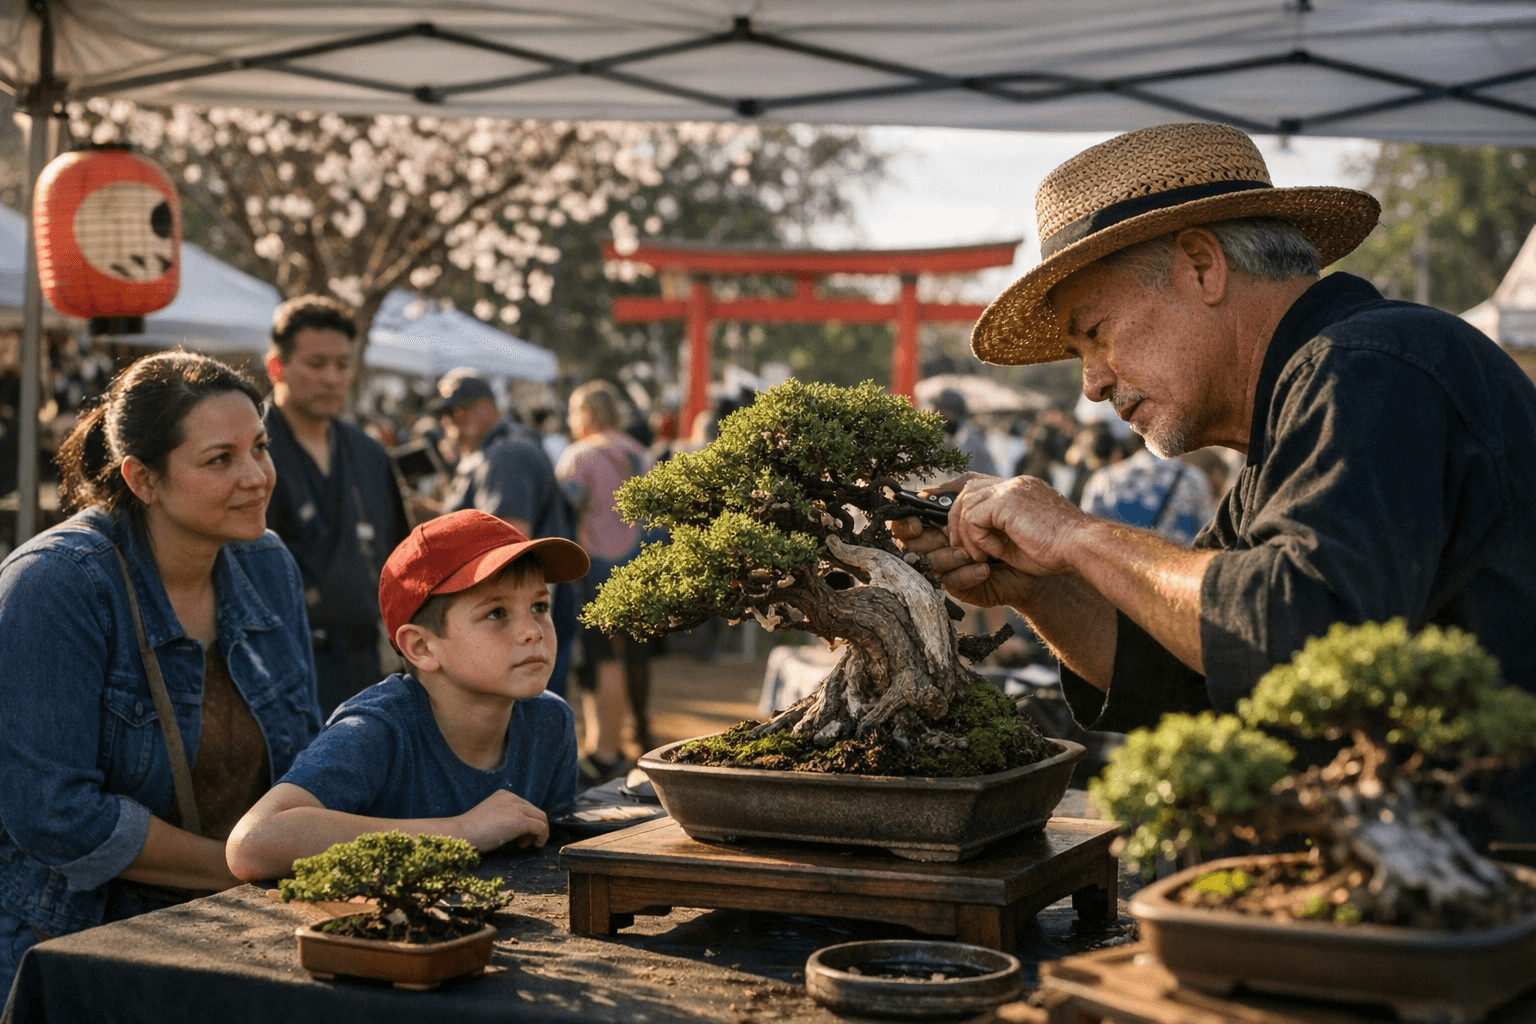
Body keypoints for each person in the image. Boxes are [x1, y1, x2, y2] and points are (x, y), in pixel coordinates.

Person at [896, 121, 1536, 841]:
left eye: (1097, 332)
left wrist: (1075, 534)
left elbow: (1297, 633)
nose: (1093, 386)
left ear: (1201, 266)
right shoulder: (1292, 418)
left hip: (1494, 885)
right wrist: (1039, 583)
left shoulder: (1366, 366)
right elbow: (1193, 673)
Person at [0, 352, 322, 988]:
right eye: (220, 459)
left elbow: (306, 758)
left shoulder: (266, 561)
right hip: (81, 946)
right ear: (142, 479)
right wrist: (247, 869)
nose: (257, 476)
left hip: (245, 932)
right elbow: (55, 814)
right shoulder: (57, 584)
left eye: (259, 447)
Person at [225, 509, 589, 880]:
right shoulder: (377, 730)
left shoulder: (550, 723)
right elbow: (253, 843)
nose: (533, 631)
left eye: (539, 606)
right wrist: (461, 832)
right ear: (421, 647)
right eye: (496, 613)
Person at [264, 296, 410, 715]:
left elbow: (401, 558)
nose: (331, 378)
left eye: (342, 365)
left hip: (366, 660)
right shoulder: (249, 450)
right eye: (316, 364)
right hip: (283, 662)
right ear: (278, 366)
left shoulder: (368, 452)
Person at [431, 368, 579, 699]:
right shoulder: (490, 450)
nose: (450, 421)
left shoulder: (506, 453)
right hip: (517, 606)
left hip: (523, 605)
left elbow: (508, 543)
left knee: (529, 710)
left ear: (486, 407)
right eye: (444, 414)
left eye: (458, 410)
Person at [556, 380, 657, 785]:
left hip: (593, 564)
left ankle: (604, 748)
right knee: (637, 653)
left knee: (601, 659)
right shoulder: (639, 452)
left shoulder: (579, 455)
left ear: (587, 415)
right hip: (641, 564)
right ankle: (642, 732)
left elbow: (565, 506)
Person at [1078, 432, 1216, 545]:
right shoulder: (1193, 477)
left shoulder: (1103, 480)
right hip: (1179, 569)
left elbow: (1086, 533)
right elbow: (1208, 533)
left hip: (1121, 569)